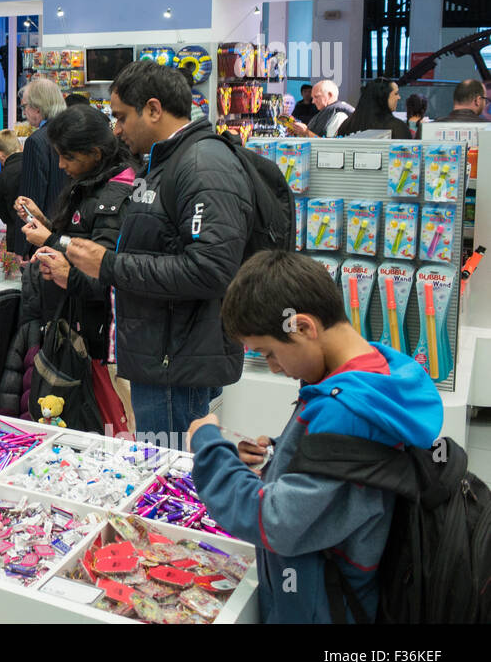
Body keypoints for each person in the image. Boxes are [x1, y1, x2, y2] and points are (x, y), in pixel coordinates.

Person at [187, 250, 443, 624]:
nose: (274, 367)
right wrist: (276, 455)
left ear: (303, 327)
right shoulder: (374, 371)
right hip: (328, 588)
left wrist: (209, 448)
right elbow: (337, 471)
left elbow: (276, 523)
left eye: (270, 353)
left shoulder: (349, 411)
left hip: (323, 602)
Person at [64, 60, 253, 445]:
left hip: (177, 363)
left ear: (153, 109)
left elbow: (211, 268)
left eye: (120, 117)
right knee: (166, 476)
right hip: (163, 356)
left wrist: (110, 265)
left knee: (171, 484)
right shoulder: (167, 162)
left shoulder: (202, 165)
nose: (115, 130)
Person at [29, 105, 140, 429]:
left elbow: (106, 272)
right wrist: (49, 230)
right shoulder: (94, 183)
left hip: (104, 339)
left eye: (68, 157)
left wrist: (54, 244)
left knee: (112, 426)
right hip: (87, 329)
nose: (62, 165)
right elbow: (82, 242)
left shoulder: (116, 192)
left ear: (94, 153)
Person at [16, 77, 68, 249]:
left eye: (24, 106)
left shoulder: (37, 141)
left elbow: (31, 197)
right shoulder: (73, 133)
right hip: (70, 231)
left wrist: (23, 247)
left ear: (37, 108)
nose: (24, 113)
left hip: (42, 237)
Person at [337, 78, 411, 139]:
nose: (399, 97)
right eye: (395, 93)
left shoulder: (347, 125)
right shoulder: (396, 127)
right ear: (383, 97)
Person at [0, 130, 24, 256]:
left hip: (16, 234)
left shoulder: (1, 177)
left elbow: (3, 214)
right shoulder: (35, 165)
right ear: (20, 146)